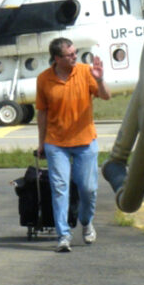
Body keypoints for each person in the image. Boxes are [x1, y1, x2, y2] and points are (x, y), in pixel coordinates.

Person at [36, 37, 110, 253]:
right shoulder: (44, 79)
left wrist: (100, 79)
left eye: (75, 52)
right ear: (57, 58)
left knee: (88, 188)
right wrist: (41, 142)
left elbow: (105, 96)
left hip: (85, 141)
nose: (75, 57)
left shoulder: (86, 72)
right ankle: (63, 235)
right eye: (70, 55)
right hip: (56, 143)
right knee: (60, 189)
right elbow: (42, 112)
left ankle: (86, 222)